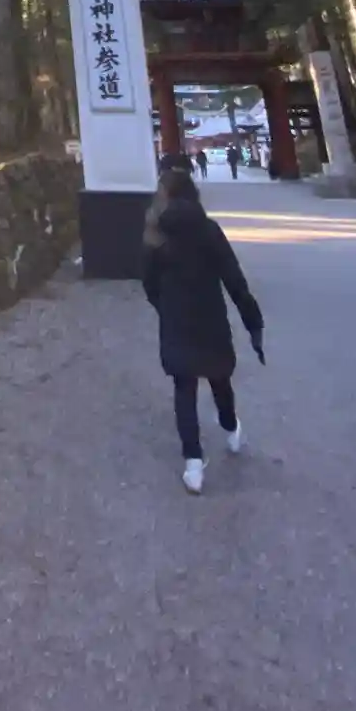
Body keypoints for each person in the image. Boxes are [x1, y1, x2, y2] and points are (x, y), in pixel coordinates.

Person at [141, 170, 264, 495]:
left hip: (176, 319)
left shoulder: (156, 234)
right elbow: (233, 278)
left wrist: (164, 307)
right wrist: (252, 319)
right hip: (210, 316)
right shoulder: (209, 230)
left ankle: (193, 465)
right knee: (219, 378)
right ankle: (232, 429)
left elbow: (149, 282)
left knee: (184, 388)